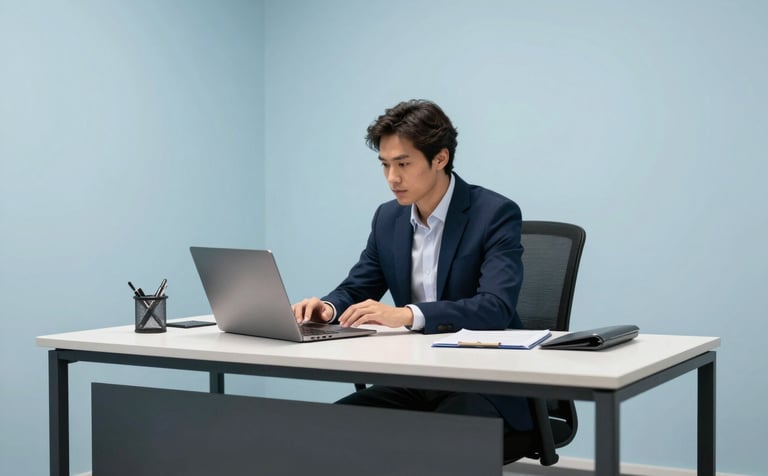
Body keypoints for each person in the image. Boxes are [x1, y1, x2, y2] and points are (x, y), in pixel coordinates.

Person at [292, 99, 532, 438]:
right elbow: (358, 288)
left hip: (485, 383)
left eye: (403, 163)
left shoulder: (494, 214)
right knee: (326, 431)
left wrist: (407, 315)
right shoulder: (388, 218)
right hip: (416, 380)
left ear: (440, 158)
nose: (392, 178)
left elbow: (495, 307)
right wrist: (327, 309)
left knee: (432, 444)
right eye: (385, 165)